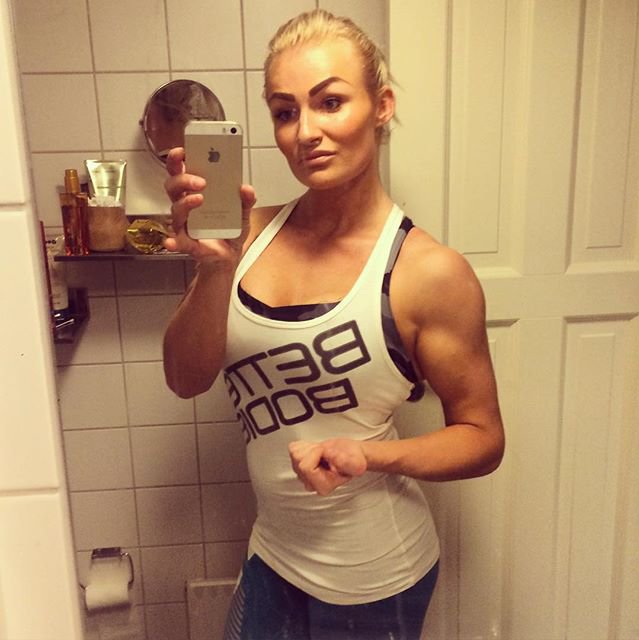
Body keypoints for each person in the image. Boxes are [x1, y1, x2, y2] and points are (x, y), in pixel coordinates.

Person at [162, 9, 504, 640]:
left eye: (330, 102)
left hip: (376, 576)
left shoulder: (428, 273)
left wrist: (370, 455)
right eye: (285, 111)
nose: (306, 132)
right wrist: (214, 272)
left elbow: (482, 438)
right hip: (273, 553)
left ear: (382, 106)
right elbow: (185, 379)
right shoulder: (246, 236)